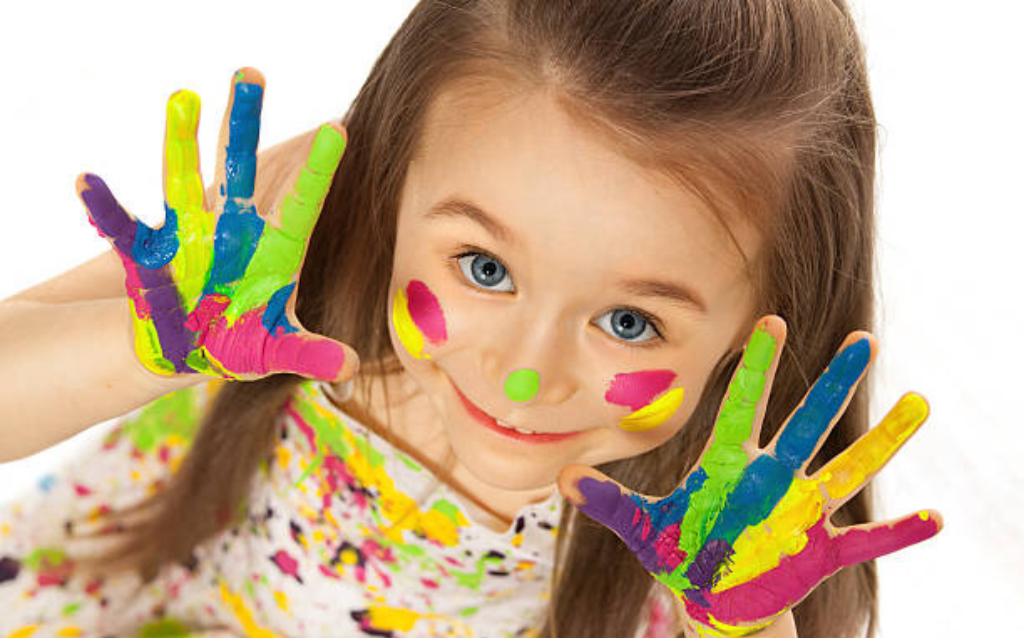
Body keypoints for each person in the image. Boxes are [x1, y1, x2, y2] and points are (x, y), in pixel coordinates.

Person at [0, 1, 943, 637]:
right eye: (484, 268)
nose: (525, 373)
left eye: (628, 323)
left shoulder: (704, 541)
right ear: (389, 178)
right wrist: (144, 345)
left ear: (760, 323)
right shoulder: (283, 273)